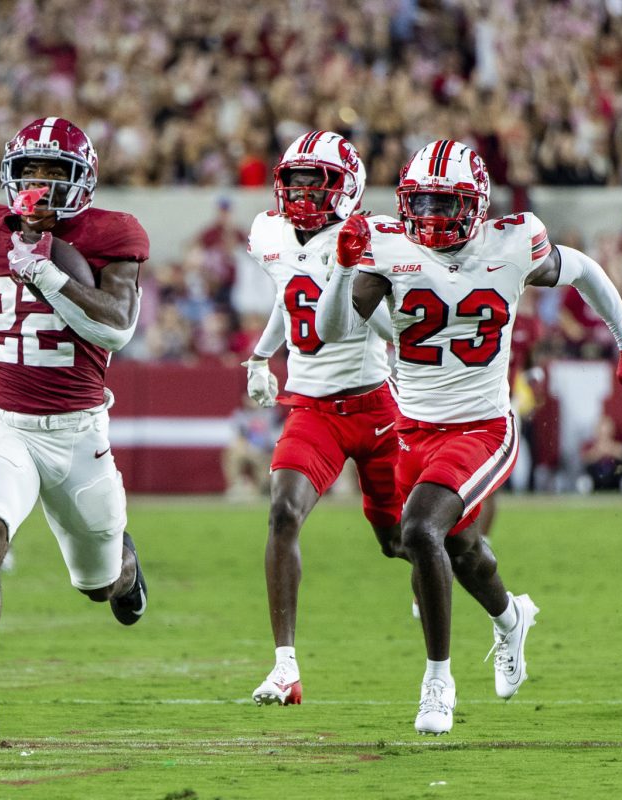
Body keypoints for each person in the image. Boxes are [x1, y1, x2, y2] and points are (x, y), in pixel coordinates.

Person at [317, 140, 622, 735]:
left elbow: (584, 271)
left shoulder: (514, 240)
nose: (432, 216)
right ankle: (510, 618)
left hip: (482, 425)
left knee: (422, 528)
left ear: (477, 205)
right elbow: (333, 330)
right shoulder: (388, 244)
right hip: (412, 427)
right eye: (421, 202)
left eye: (447, 204)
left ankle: (437, 684)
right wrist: (344, 269)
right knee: (452, 550)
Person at [0, 117, 149, 753]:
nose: (40, 185)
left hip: (80, 435)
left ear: (82, 180)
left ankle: (127, 568)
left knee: (98, 583)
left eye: (56, 173)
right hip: (6, 425)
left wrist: (50, 274)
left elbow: (117, 328)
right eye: (30, 172)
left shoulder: (112, 234)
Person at [242, 131, 406, 706]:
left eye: (320, 182)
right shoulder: (271, 234)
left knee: (398, 540)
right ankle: (284, 667)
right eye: (298, 182)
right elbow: (292, 295)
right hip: (314, 410)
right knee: (283, 511)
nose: (306, 195)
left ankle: (462, 577)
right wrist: (262, 354)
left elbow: (389, 325)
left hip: (375, 405)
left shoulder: (371, 238)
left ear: (349, 187)